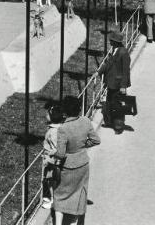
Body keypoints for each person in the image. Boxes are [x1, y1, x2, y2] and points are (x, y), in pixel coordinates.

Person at [53, 96, 101, 225]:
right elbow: (96, 140)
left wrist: (54, 154)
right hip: (83, 164)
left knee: (60, 195)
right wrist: (83, 146)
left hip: (67, 167)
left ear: (65, 112)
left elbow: (61, 154)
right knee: (78, 194)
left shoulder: (63, 128)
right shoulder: (85, 121)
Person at [93, 31, 130, 134]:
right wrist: (99, 72)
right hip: (111, 82)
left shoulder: (123, 53)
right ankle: (110, 122)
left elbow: (126, 71)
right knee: (110, 102)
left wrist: (123, 86)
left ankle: (118, 127)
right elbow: (108, 63)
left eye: (111, 40)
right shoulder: (115, 49)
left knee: (117, 106)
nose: (109, 42)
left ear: (116, 42)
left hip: (118, 84)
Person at [41, 104, 65, 209]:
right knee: (50, 180)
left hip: (52, 162)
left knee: (52, 180)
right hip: (52, 160)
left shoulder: (54, 131)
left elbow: (57, 148)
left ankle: (53, 200)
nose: (46, 115)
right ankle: (51, 197)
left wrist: (50, 156)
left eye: (48, 114)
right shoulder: (58, 128)